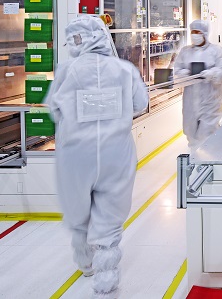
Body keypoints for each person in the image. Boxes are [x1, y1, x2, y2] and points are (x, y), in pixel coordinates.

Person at [46, 15, 148, 299]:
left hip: (75, 153)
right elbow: (141, 104)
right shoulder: (124, 69)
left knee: (78, 211)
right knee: (111, 213)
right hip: (117, 152)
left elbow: (54, 110)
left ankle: (85, 261)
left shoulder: (67, 71)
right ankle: (106, 279)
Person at [173, 19, 222, 148]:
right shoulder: (185, 51)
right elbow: (176, 69)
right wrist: (185, 73)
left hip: (210, 101)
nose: (195, 35)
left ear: (205, 33)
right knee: (190, 131)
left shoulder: (216, 51)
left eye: (197, 32)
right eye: (193, 32)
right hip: (190, 101)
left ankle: (209, 157)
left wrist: (212, 73)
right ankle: (194, 156)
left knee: (207, 133)